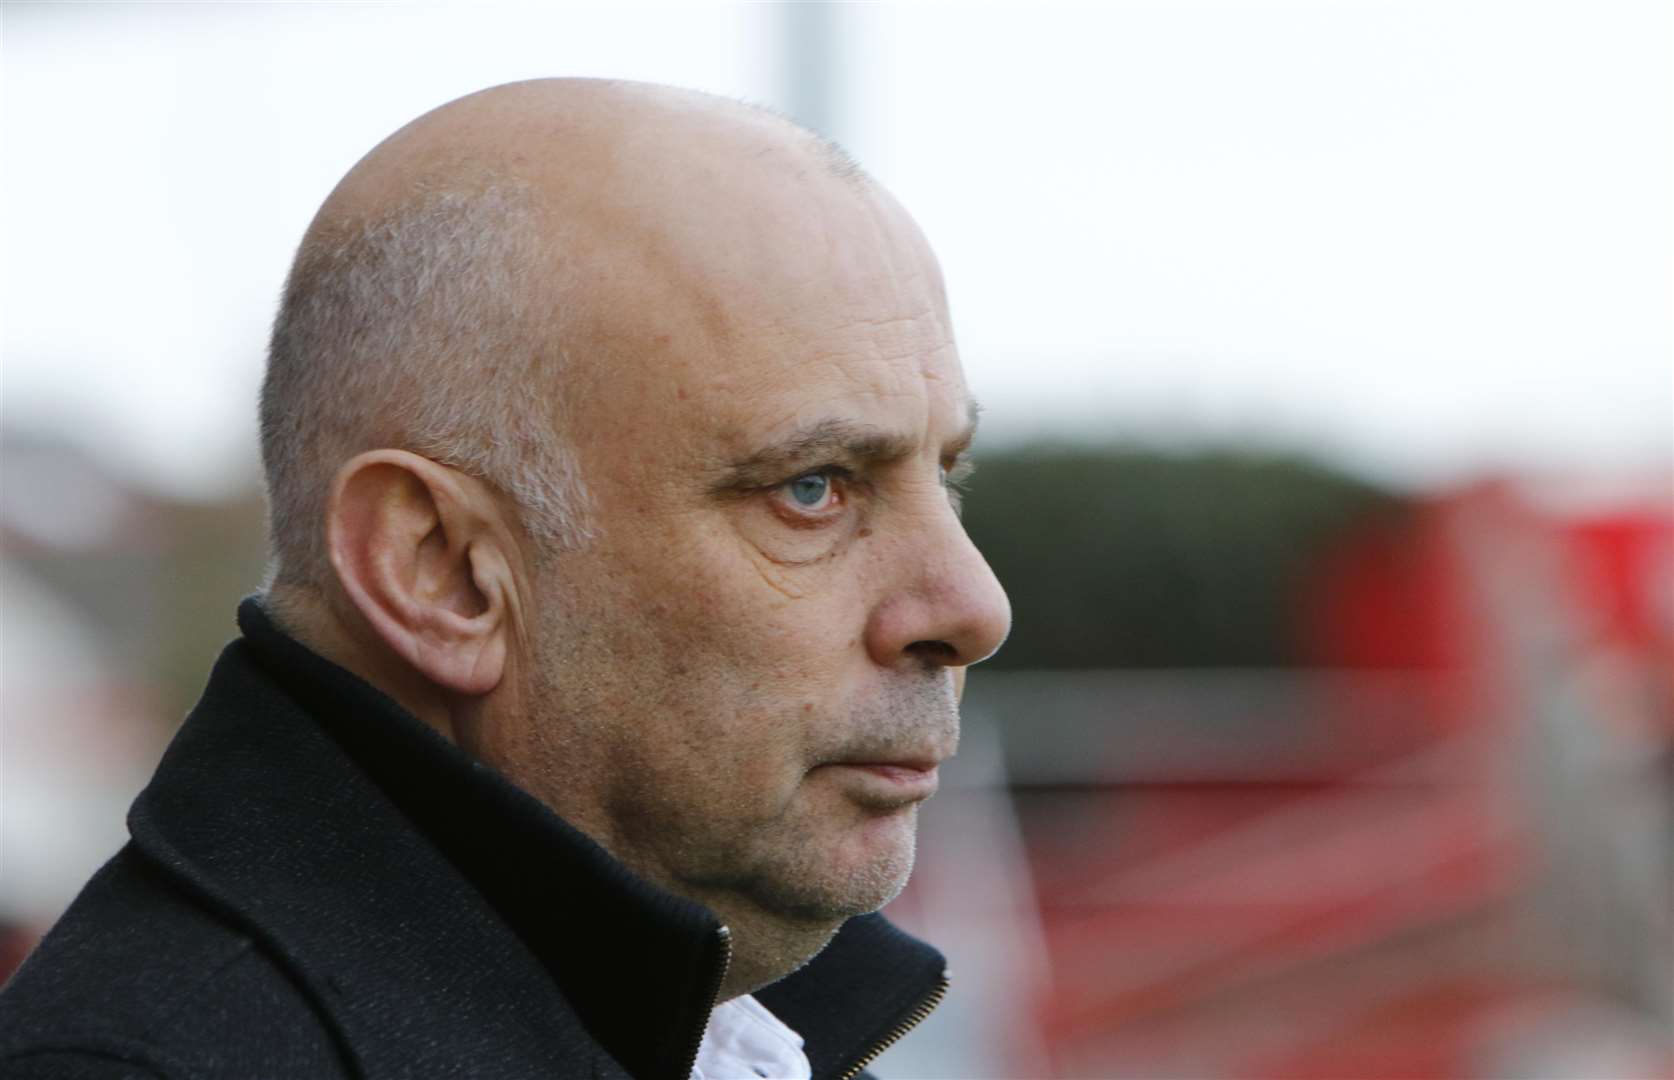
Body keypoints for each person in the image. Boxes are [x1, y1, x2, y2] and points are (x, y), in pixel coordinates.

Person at [0, 78, 1010, 1079]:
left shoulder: (735, 1023)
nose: (974, 607)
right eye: (811, 488)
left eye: (946, 474)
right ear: (440, 571)